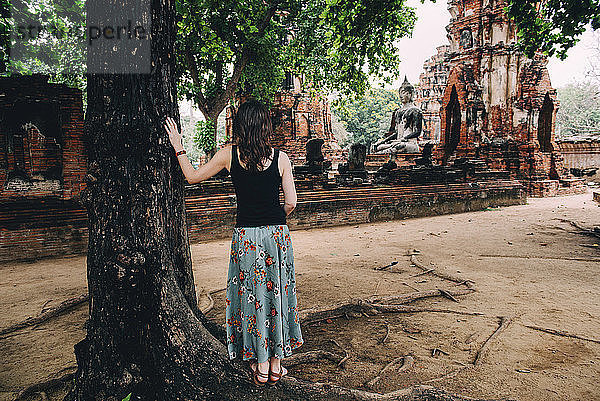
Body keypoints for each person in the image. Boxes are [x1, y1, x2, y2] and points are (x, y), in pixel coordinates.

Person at [164, 99, 303, 386]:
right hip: (277, 235)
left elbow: (191, 177)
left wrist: (178, 145)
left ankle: (261, 363)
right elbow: (291, 202)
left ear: (240, 126)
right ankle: (275, 363)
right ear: (266, 126)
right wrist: (276, 218)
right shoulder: (282, 158)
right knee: (276, 294)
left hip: (247, 238)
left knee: (252, 296)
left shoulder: (229, 155)